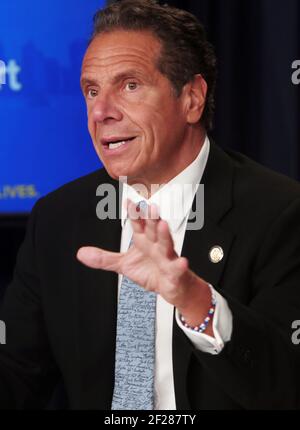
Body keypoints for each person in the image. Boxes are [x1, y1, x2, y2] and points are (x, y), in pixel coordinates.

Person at [1, 0, 300, 410]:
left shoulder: (280, 212)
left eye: (129, 86)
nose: (101, 112)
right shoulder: (58, 218)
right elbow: (16, 375)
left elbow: (287, 385)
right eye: (91, 90)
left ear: (192, 98)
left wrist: (197, 301)